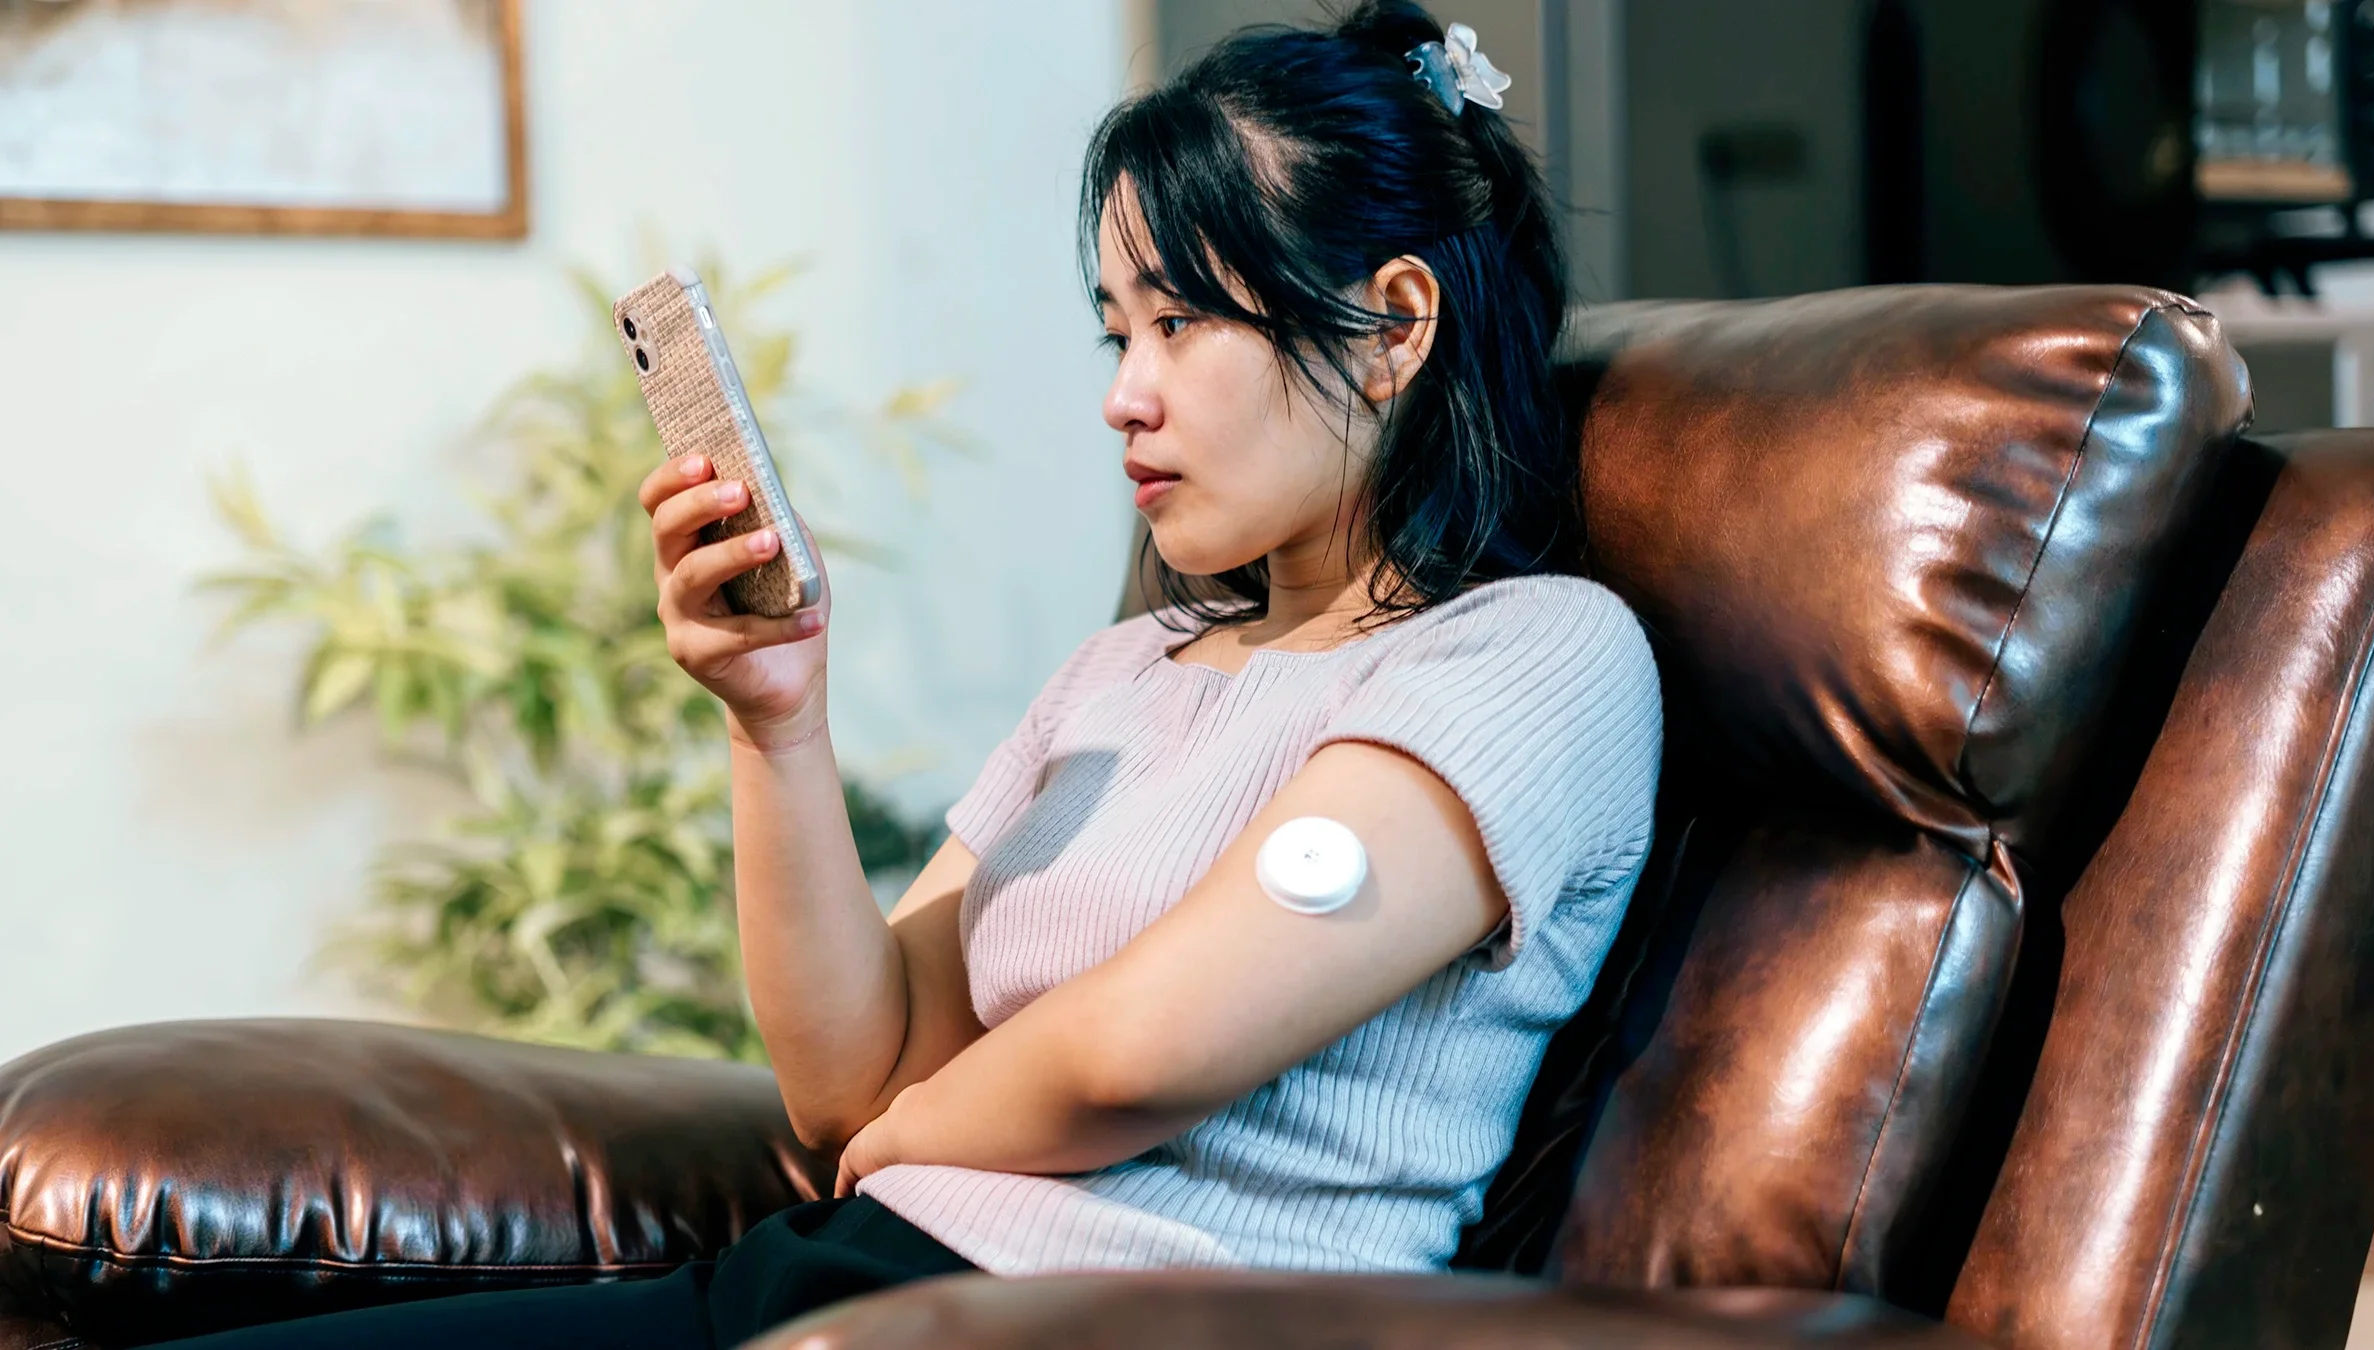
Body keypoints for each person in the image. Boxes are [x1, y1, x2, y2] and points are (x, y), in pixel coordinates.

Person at [154, 2, 1661, 1345]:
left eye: (1185, 321)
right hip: (840, 1280)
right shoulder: (1126, 670)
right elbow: (849, 1071)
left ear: (1395, 323)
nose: (1123, 398)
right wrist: (778, 721)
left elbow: (1140, 1051)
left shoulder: (1533, 656)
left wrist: (919, 1132)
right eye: (1116, 329)